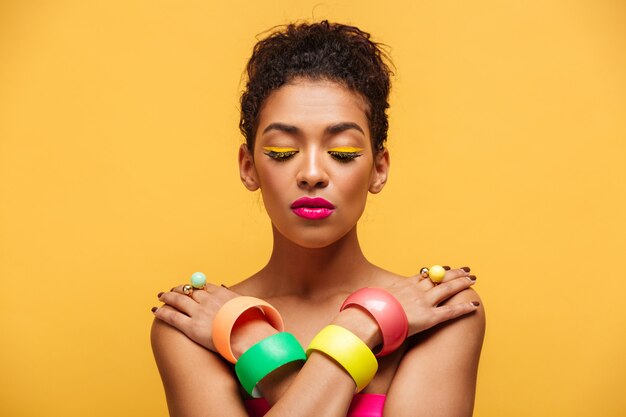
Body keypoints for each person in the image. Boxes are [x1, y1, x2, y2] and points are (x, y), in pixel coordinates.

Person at [151, 21, 485, 417]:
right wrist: (362, 329)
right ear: (248, 167)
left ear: (379, 169)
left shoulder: (440, 311)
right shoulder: (192, 322)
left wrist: (255, 345)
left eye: (342, 152)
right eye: (281, 150)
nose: (312, 173)